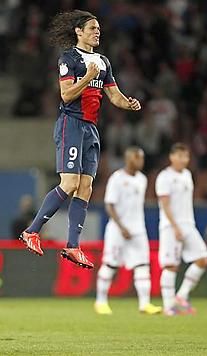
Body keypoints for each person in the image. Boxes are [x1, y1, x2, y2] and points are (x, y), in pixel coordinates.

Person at [19, 10, 141, 269]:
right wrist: (87, 78)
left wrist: (128, 103)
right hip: (71, 125)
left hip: (91, 130)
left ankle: (73, 246)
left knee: (85, 188)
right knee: (70, 182)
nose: (98, 32)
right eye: (93, 28)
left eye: (98, 28)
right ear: (79, 31)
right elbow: (66, 95)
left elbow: (114, 95)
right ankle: (32, 231)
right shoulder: (69, 58)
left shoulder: (103, 62)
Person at [95, 147, 161, 315]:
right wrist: (121, 226)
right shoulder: (117, 178)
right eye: (137, 158)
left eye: (141, 158)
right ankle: (100, 302)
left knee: (142, 265)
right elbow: (109, 205)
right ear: (128, 159)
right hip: (117, 230)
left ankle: (144, 304)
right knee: (110, 264)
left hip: (138, 230)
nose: (140, 161)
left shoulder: (142, 179)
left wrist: (132, 226)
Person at [155, 143, 207, 316]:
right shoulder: (164, 177)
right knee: (171, 265)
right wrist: (175, 226)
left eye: (185, 156)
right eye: (179, 156)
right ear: (171, 157)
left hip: (188, 224)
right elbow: (165, 204)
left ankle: (181, 296)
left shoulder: (187, 175)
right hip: (170, 226)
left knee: (203, 259)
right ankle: (168, 306)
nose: (182, 159)